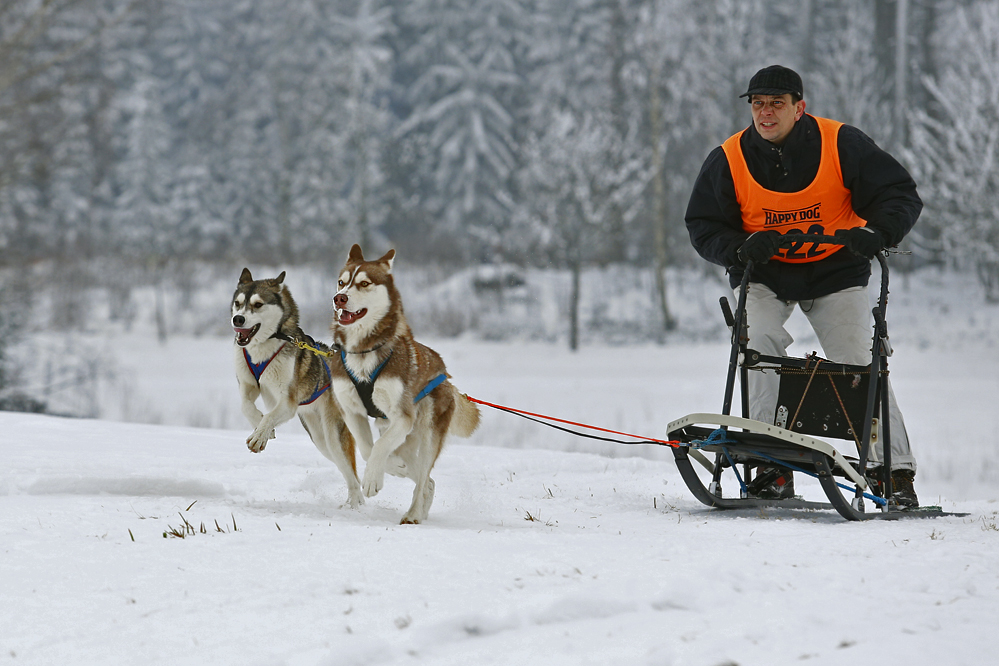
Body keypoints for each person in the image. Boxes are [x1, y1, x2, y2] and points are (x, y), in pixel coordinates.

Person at [684, 64, 922, 507]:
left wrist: (878, 233)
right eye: (757, 104)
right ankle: (770, 468)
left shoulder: (841, 144)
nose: (765, 113)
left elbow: (899, 194)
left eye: (776, 103)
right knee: (759, 351)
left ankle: (892, 472)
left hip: (836, 270)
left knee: (858, 362)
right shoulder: (729, 158)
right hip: (765, 275)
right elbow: (702, 225)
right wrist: (739, 248)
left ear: (800, 107)